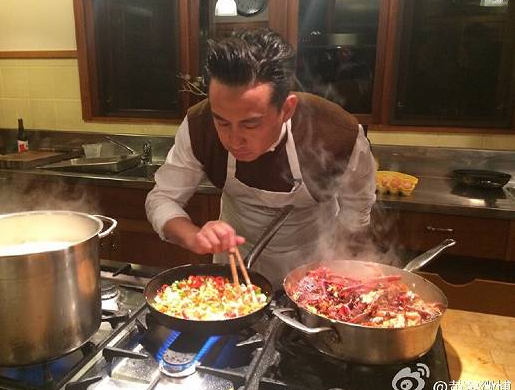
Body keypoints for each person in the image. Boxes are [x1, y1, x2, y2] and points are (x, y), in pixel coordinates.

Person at [146, 29, 376, 288]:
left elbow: (357, 209)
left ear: (286, 109)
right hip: (236, 261)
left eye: (250, 124)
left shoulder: (337, 133)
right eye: (222, 122)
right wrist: (194, 236)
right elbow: (161, 198)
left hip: (313, 260)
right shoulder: (198, 125)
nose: (234, 140)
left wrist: (338, 269)